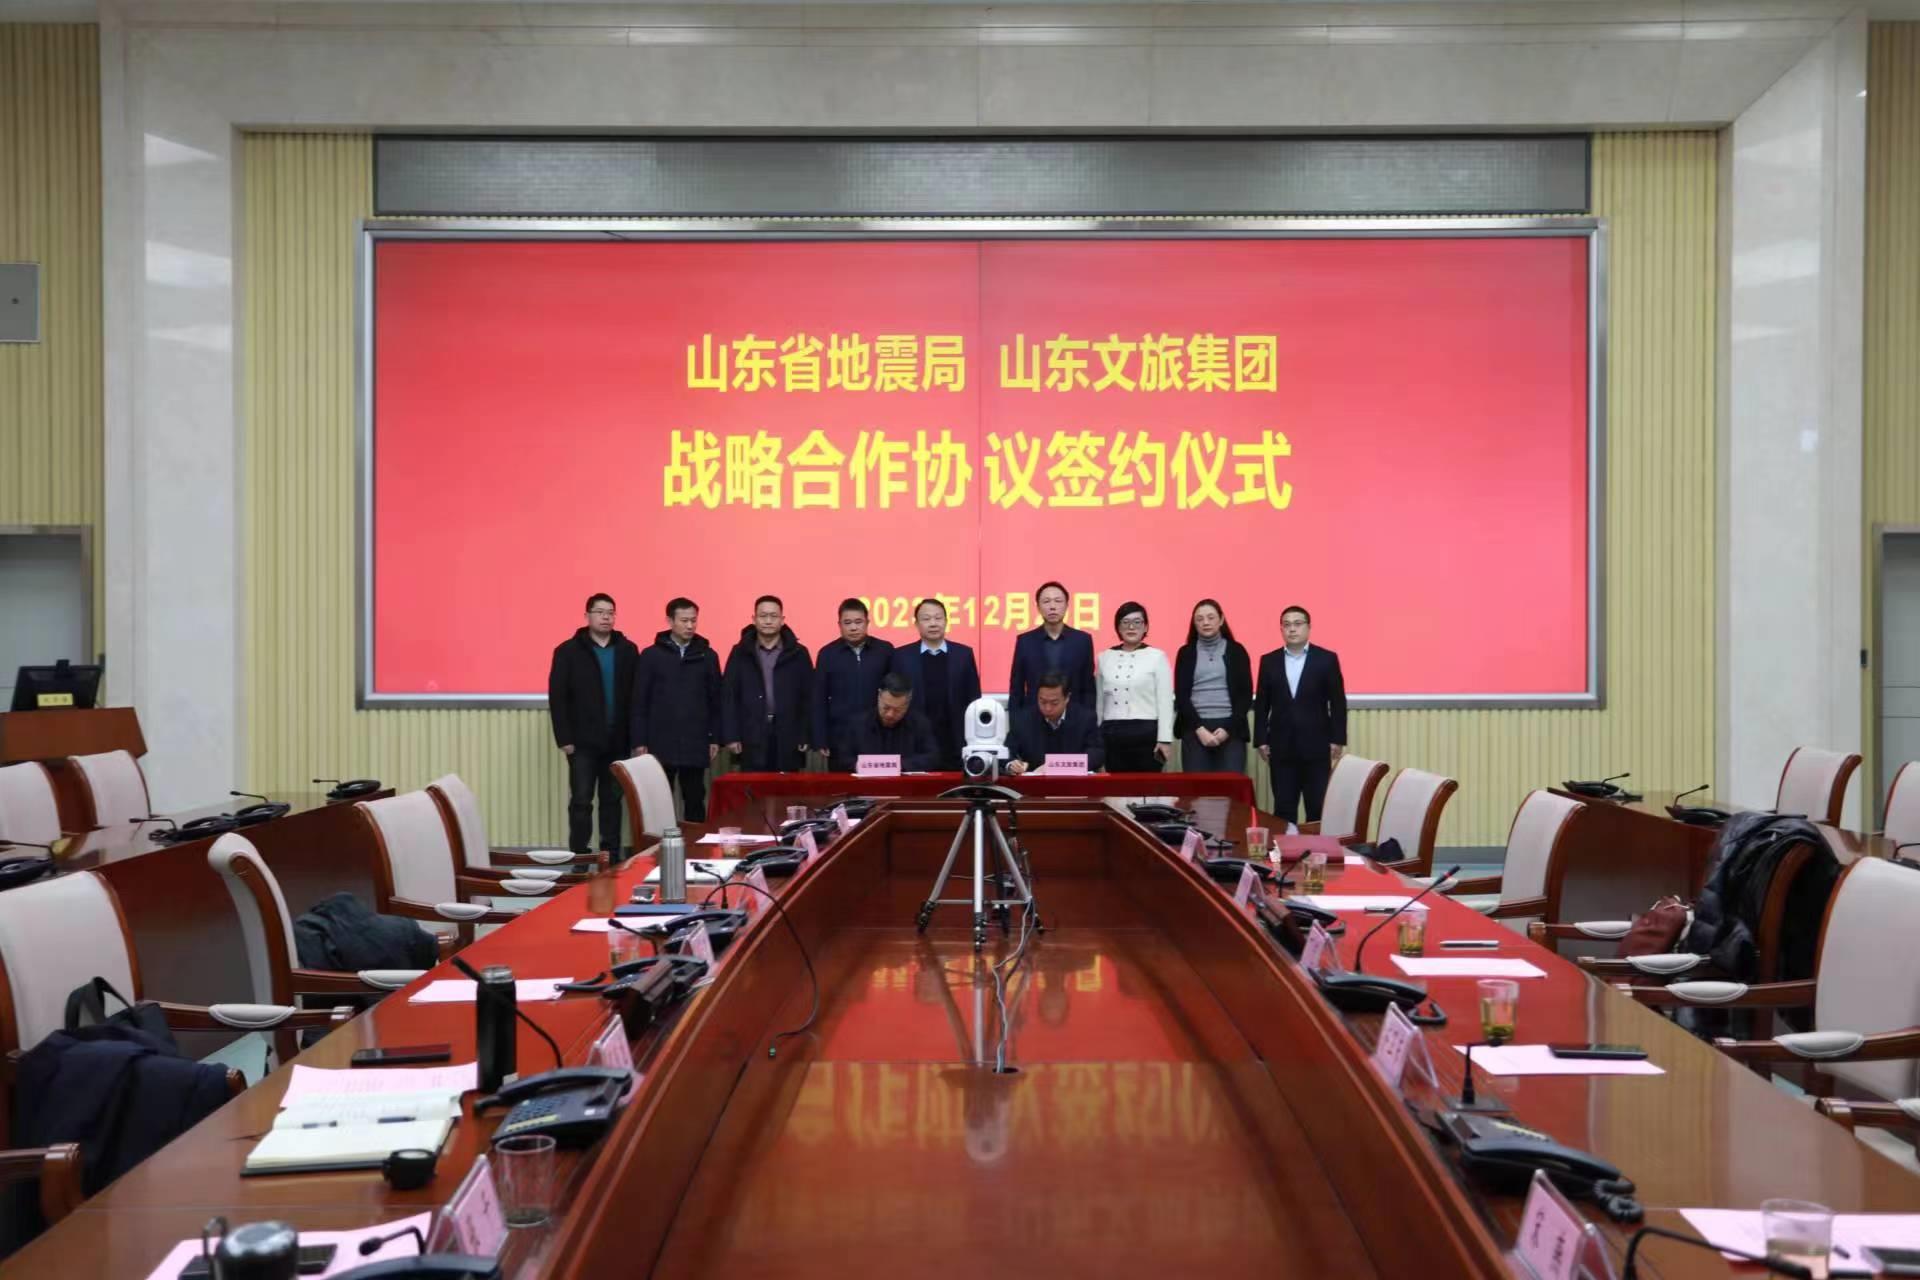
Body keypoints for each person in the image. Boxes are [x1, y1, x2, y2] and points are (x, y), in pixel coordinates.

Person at [546, 593, 640, 855]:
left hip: (617, 740)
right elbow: (558, 697)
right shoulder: (568, 651)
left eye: (610, 612)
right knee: (581, 801)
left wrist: (635, 739)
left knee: (612, 801)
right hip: (582, 743)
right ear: (587, 616)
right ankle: (579, 855)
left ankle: (611, 857)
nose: (606, 617)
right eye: (600, 612)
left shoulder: (628, 650)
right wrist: (564, 738)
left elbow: (636, 697)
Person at [630, 596, 723, 822]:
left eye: (693, 620)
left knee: (695, 797)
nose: (690, 626)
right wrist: (639, 741)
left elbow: (716, 701)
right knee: (659, 800)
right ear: (670, 621)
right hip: (660, 740)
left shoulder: (707, 656)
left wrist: (714, 738)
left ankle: (694, 843)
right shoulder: (651, 656)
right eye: (684, 621)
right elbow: (640, 701)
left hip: (695, 740)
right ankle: (661, 844)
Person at [1254, 604, 1349, 824]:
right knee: (1283, 808)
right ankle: (1284, 847)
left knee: (1317, 807)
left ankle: (1316, 847)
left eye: (1297, 624)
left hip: (1316, 746)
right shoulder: (1269, 661)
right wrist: (1261, 739)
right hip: (1281, 747)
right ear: (1281, 629)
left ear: (1308, 627)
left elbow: (1337, 702)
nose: (1292, 629)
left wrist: (1337, 739)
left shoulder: (1326, 659)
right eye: (1286, 625)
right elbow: (1262, 704)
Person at [886, 598, 981, 771]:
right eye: (926, 618)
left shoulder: (964, 654)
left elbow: (974, 699)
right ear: (916, 624)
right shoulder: (901, 656)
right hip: (915, 740)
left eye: (938, 618)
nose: (933, 623)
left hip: (955, 739)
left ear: (946, 621)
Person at [722, 595, 813, 773]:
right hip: (750, 734)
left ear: (782, 620)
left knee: (787, 787)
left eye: (774, 616)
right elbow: (729, 696)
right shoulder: (740, 652)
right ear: (754, 619)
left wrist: (805, 734)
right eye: (763, 616)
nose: (768, 621)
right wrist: (731, 735)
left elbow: (808, 697)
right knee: (753, 787)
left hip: (788, 734)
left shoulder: (799, 653)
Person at [811, 597, 897, 772]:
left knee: (879, 783)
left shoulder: (885, 650)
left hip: (879, 733)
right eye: (847, 623)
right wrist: (821, 738)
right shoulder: (827, 654)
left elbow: (895, 693)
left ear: (867, 623)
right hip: (841, 736)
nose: (853, 627)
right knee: (842, 785)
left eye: (858, 622)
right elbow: (818, 699)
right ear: (839, 625)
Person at [1173, 598, 1253, 775]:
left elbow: (1245, 695)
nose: (1206, 622)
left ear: (1221, 620)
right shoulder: (1186, 653)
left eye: (1211, 617)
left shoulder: (1237, 651)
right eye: (1200, 619)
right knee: (1197, 790)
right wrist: (1200, 729)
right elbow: (1182, 696)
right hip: (1195, 728)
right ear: (1194, 623)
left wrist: (1227, 730)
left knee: (1230, 789)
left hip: (1230, 728)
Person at [1095, 602, 1174, 773]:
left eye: (1137, 622)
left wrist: (1164, 740)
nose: (1131, 627)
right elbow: (1100, 702)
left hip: (1147, 733)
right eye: (1125, 622)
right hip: (1112, 733)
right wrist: (1097, 738)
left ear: (1145, 627)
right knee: (1116, 786)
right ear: (1118, 627)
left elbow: (1165, 702)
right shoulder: (1104, 657)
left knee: (1147, 786)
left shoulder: (1157, 657)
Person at [1006, 581, 1094, 713]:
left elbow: (1088, 687)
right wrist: (1016, 720)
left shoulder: (1082, 640)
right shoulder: (1025, 641)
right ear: (1038, 607)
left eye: (1058, 601)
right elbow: (1016, 688)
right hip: (1034, 717)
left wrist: (1088, 719)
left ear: (1067, 605)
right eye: (1046, 601)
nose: (1052, 606)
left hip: (1074, 718)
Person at [1005, 671, 1105, 774]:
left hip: (1073, 781)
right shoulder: (1023, 720)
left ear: (1067, 698)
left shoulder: (1085, 719)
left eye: (1054, 703)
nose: (1047, 708)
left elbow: (1097, 754)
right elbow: (1006, 752)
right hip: (1035, 782)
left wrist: (1055, 766)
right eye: (1043, 702)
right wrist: (1011, 765)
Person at [844, 672, 939, 771]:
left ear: (908, 703)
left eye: (898, 710)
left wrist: (898, 765)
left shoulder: (920, 724)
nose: (890, 714)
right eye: (886, 707)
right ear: (879, 696)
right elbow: (844, 759)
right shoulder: (857, 724)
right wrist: (862, 766)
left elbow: (932, 758)